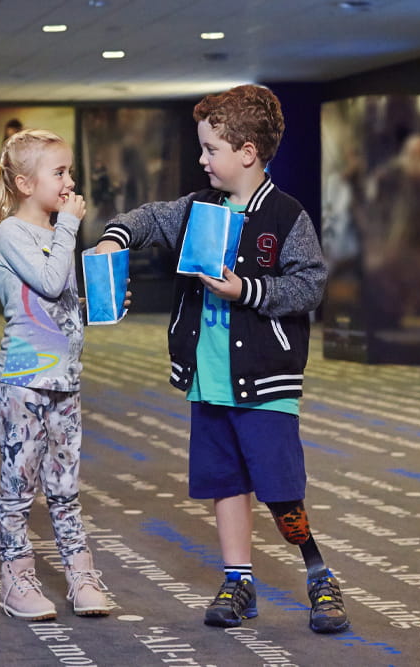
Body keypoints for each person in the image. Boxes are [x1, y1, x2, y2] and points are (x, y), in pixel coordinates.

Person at [94, 84, 350, 634]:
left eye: (211, 149)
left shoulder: (286, 216)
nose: (202, 159)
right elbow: (148, 219)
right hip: (208, 380)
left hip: (266, 380)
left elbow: (310, 285)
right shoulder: (196, 208)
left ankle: (318, 572)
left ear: (247, 152)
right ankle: (239, 582)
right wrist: (115, 239)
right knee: (225, 483)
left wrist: (248, 291)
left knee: (281, 488)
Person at [0, 128, 110, 621]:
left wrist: (98, 304)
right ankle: (16, 576)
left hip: (65, 379)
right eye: (60, 172)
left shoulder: (56, 234)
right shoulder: (14, 232)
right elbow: (50, 282)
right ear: (24, 183)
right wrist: (71, 229)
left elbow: (61, 304)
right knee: (20, 482)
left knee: (65, 482)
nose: (70, 182)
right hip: (24, 381)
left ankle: (80, 572)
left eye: (69, 171)